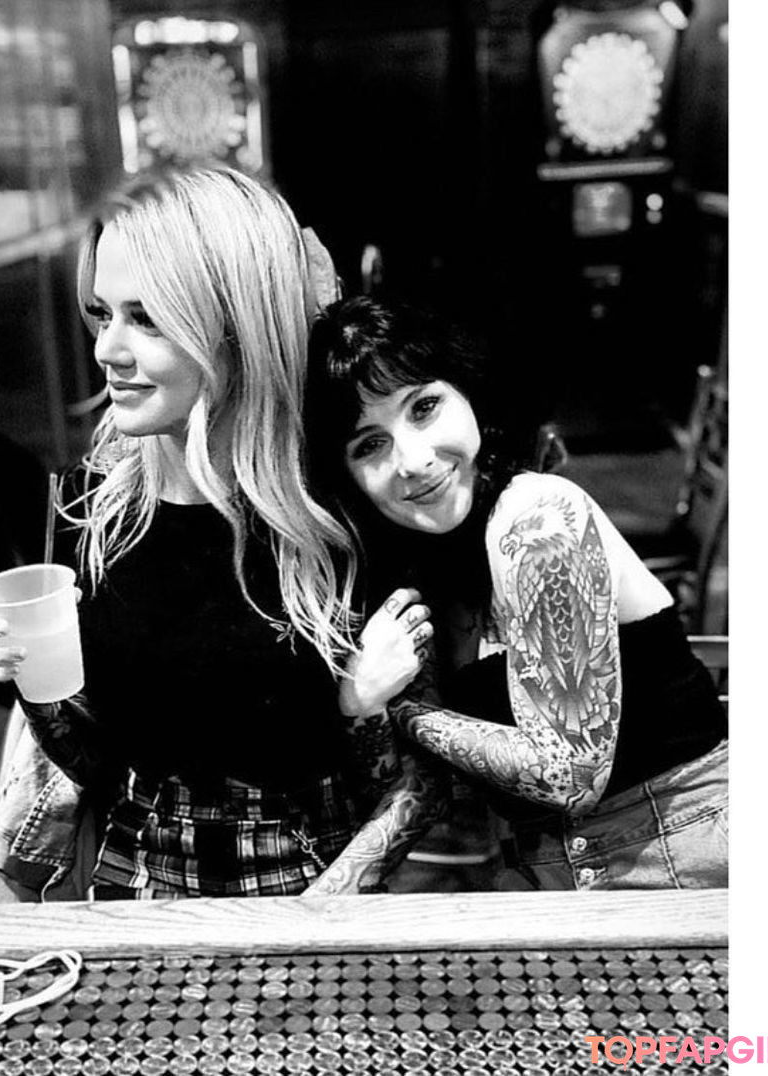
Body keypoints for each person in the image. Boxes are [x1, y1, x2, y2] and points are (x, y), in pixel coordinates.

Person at [0, 168, 438, 901]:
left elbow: (415, 791)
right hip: (132, 890)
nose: (107, 349)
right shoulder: (91, 506)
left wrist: (358, 712)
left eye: (146, 319)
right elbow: (92, 762)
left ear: (239, 328)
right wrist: (29, 676)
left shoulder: (343, 506)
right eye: (102, 313)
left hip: (311, 889)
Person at [304, 295, 729, 891]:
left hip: (685, 850)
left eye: (424, 407)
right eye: (369, 445)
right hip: (544, 874)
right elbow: (420, 791)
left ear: (468, 396)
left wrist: (395, 708)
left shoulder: (536, 517)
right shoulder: (421, 569)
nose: (414, 460)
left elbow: (571, 773)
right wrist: (320, 904)